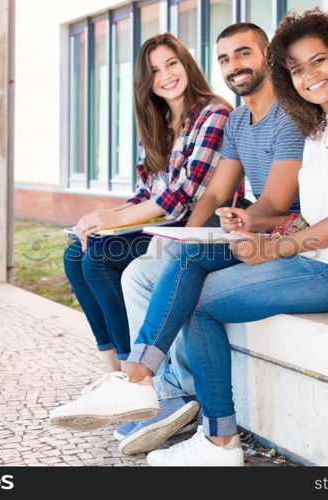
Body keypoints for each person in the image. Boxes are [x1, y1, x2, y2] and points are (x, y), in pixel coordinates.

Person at [52, 9, 328, 466]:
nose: (309, 76)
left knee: (196, 298)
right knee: (188, 264)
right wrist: (247, 226)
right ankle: (144, 388)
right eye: (297, 69)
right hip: (311, 256)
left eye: (319, 61)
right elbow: (306, 214)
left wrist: (274, 245)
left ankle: (204, 429)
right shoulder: (319, 128)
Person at [51, 23, 305, 456]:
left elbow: (269, 202)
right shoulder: (241, 118)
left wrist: (207, 231)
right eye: (225, 58)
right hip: (226, 228)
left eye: (243, 54)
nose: (233, 65)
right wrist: (186, 238)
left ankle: (153, 389)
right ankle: (140, 386)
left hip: (280, 237)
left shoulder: (268, 114)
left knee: (133, 267)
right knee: (111, 263)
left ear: (268, 55)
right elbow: (214, 192)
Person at [62, 33, 232, 375]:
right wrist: (99, 219)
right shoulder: (158, 123)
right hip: (161, 223)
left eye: (172, 63)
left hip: (195, 228)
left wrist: (110, 217)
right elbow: (145, 193)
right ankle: (110, 368)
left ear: (186, 64)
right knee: (74, 253)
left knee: (98, 259)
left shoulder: (214, 113)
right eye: (154, 71)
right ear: (146, 81)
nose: (166, 76)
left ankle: (131, 372)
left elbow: (180, 197)